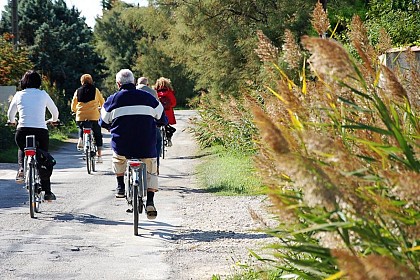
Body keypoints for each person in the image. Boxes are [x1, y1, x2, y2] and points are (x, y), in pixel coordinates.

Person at [100, 69, 166, 220]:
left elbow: (103, 121)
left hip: (123, 145)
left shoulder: (112, 100)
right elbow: (162, 117)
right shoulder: (148, 98)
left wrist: (111, 127)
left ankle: (120, 186)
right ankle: (150, 201)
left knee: (118, 158)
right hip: (146, 145)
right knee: (151, 168)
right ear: (134, 82)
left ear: (118, 84)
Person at [7, 70, 59, 201]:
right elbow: (55, 112)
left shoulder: (19, 95)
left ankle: (21, 170)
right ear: (38, 82)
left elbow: (10, 114)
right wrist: (53, 120)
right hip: (41, 131)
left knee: (22, 148)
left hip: (22, 131)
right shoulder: (43, 94)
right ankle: (47, 192)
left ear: (23, 82)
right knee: (43, 158)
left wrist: (13, 122)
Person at [71, 74, 105, 163]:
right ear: (91, 81)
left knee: (81, 126)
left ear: (82, 81)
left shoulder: (77, 91)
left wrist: (75, 110)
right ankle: (99, 156)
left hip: (80, 116)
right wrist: (101, 108)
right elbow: (102, 102)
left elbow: (73, 105)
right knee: (97, 134)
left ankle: (80, 139)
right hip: (94, 116)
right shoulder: (95, 90)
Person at [136, 77, 167, 173]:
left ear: (137, 83)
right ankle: (156, 164)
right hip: (150, 123)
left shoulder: (132, 91)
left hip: (134, 123)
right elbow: (158, 108)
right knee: (157, 140)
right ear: (148, 84)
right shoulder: (152, 92)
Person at [154, 77, 177, 146]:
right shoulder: (169, 92)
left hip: (158, 113)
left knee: (156, 126)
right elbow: (174, 103)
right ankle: (169, 139)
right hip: (168, 113)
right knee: (167, 126)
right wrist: (169, 106)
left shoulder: (155, 92)